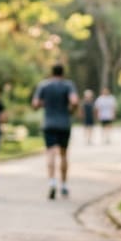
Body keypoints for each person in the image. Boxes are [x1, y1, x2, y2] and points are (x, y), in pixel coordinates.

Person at [32, 63, 79, 200]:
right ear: (63, 73)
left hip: (49, 124)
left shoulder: (44, 85)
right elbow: (74, 101)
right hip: (64, 124)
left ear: (51, 72)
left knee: (50, 153)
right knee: (64, 155)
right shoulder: (68, 85)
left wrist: (44, 103)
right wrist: (71, 110)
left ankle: (52, 182)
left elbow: (35, 104)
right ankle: (64, 185)